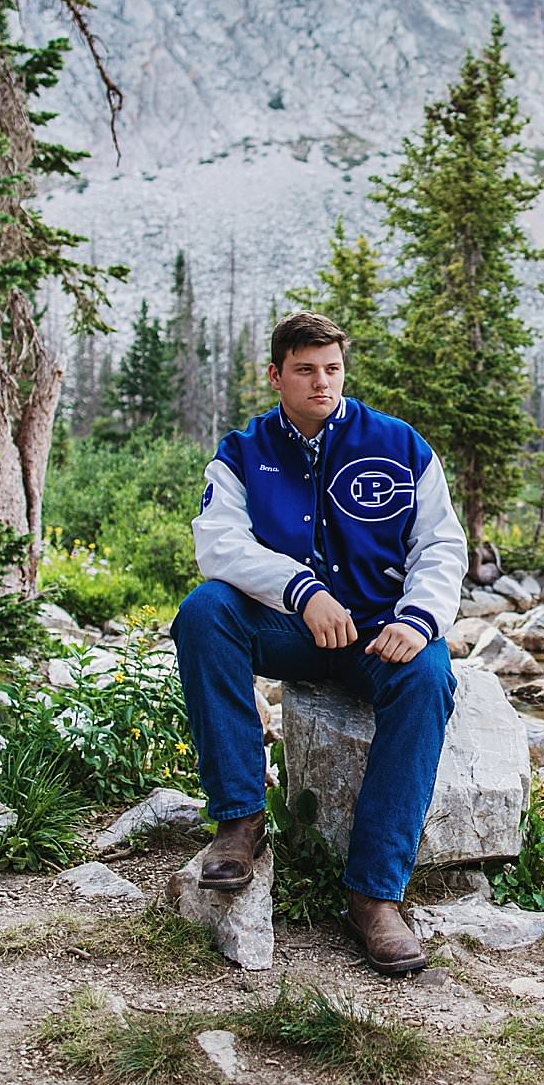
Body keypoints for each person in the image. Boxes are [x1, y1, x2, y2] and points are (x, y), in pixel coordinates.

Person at [169, 310, 467, 974]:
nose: (321, 381)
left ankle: (374, 895)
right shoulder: (243, 451)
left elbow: (442, 547)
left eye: (332, 368)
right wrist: (300, 589)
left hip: (379, 633)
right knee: (204, 611)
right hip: (292, 628)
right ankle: (240, 820)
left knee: (429, 677)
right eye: (304, 369)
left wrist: (417, 619)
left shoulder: (401, 444)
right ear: (276, 375)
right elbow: (217, 544)